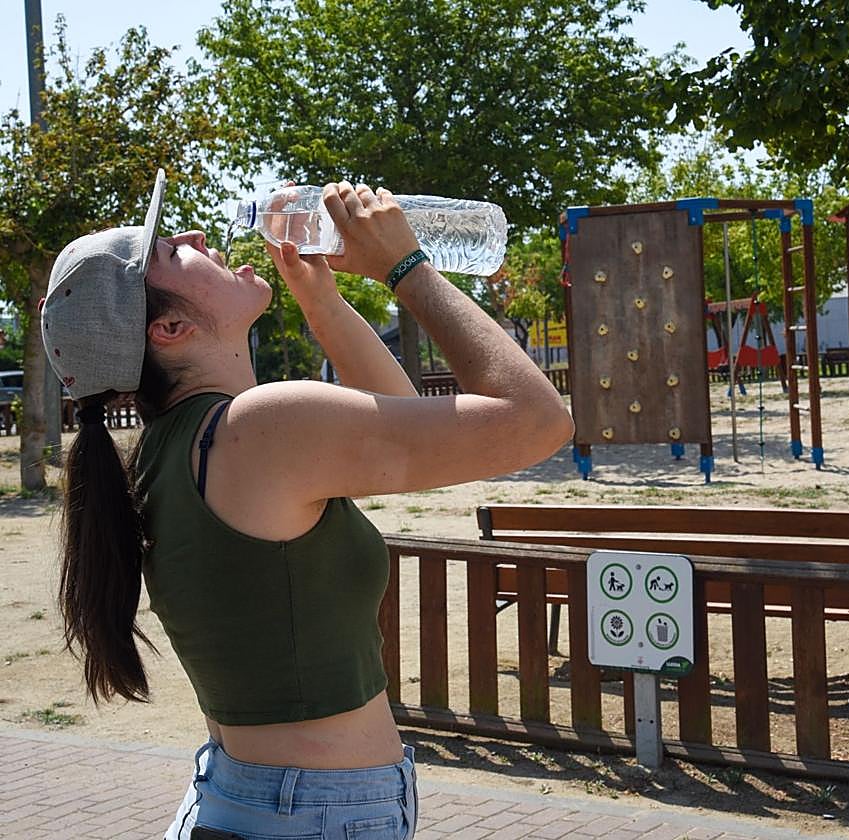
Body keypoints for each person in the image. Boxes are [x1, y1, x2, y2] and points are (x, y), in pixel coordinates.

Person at [41, 170, 574, 839]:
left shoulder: (179, 447)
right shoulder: (257, 429)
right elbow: (537, 421)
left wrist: (319, 296)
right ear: (170, 328)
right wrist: (406, 267)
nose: (196, 235)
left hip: (266, 802)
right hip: (311, 815)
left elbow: (407, 423)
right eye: (171, 252)